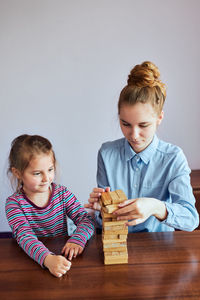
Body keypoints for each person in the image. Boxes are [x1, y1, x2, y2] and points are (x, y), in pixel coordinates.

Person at [85, 61, 199, 232]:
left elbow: (190, 219)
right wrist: (102, 212)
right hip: (119, 246)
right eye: (126, 124)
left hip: (160, 247)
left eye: (143, 125)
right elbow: (103, 224)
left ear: (159, 118)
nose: (134, 135)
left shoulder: (173, 158)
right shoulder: (106, 154)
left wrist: (155, 206)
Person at [6, 134, 95, 278]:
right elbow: (25, 237)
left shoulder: (62, 193)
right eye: (37, 173)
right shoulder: (14, 204)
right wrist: (47, 259)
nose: (46, 178)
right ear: (18, 173)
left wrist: (78, 238)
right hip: (32, 263)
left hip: (63, 258)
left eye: (50, 169)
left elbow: (86, 219)